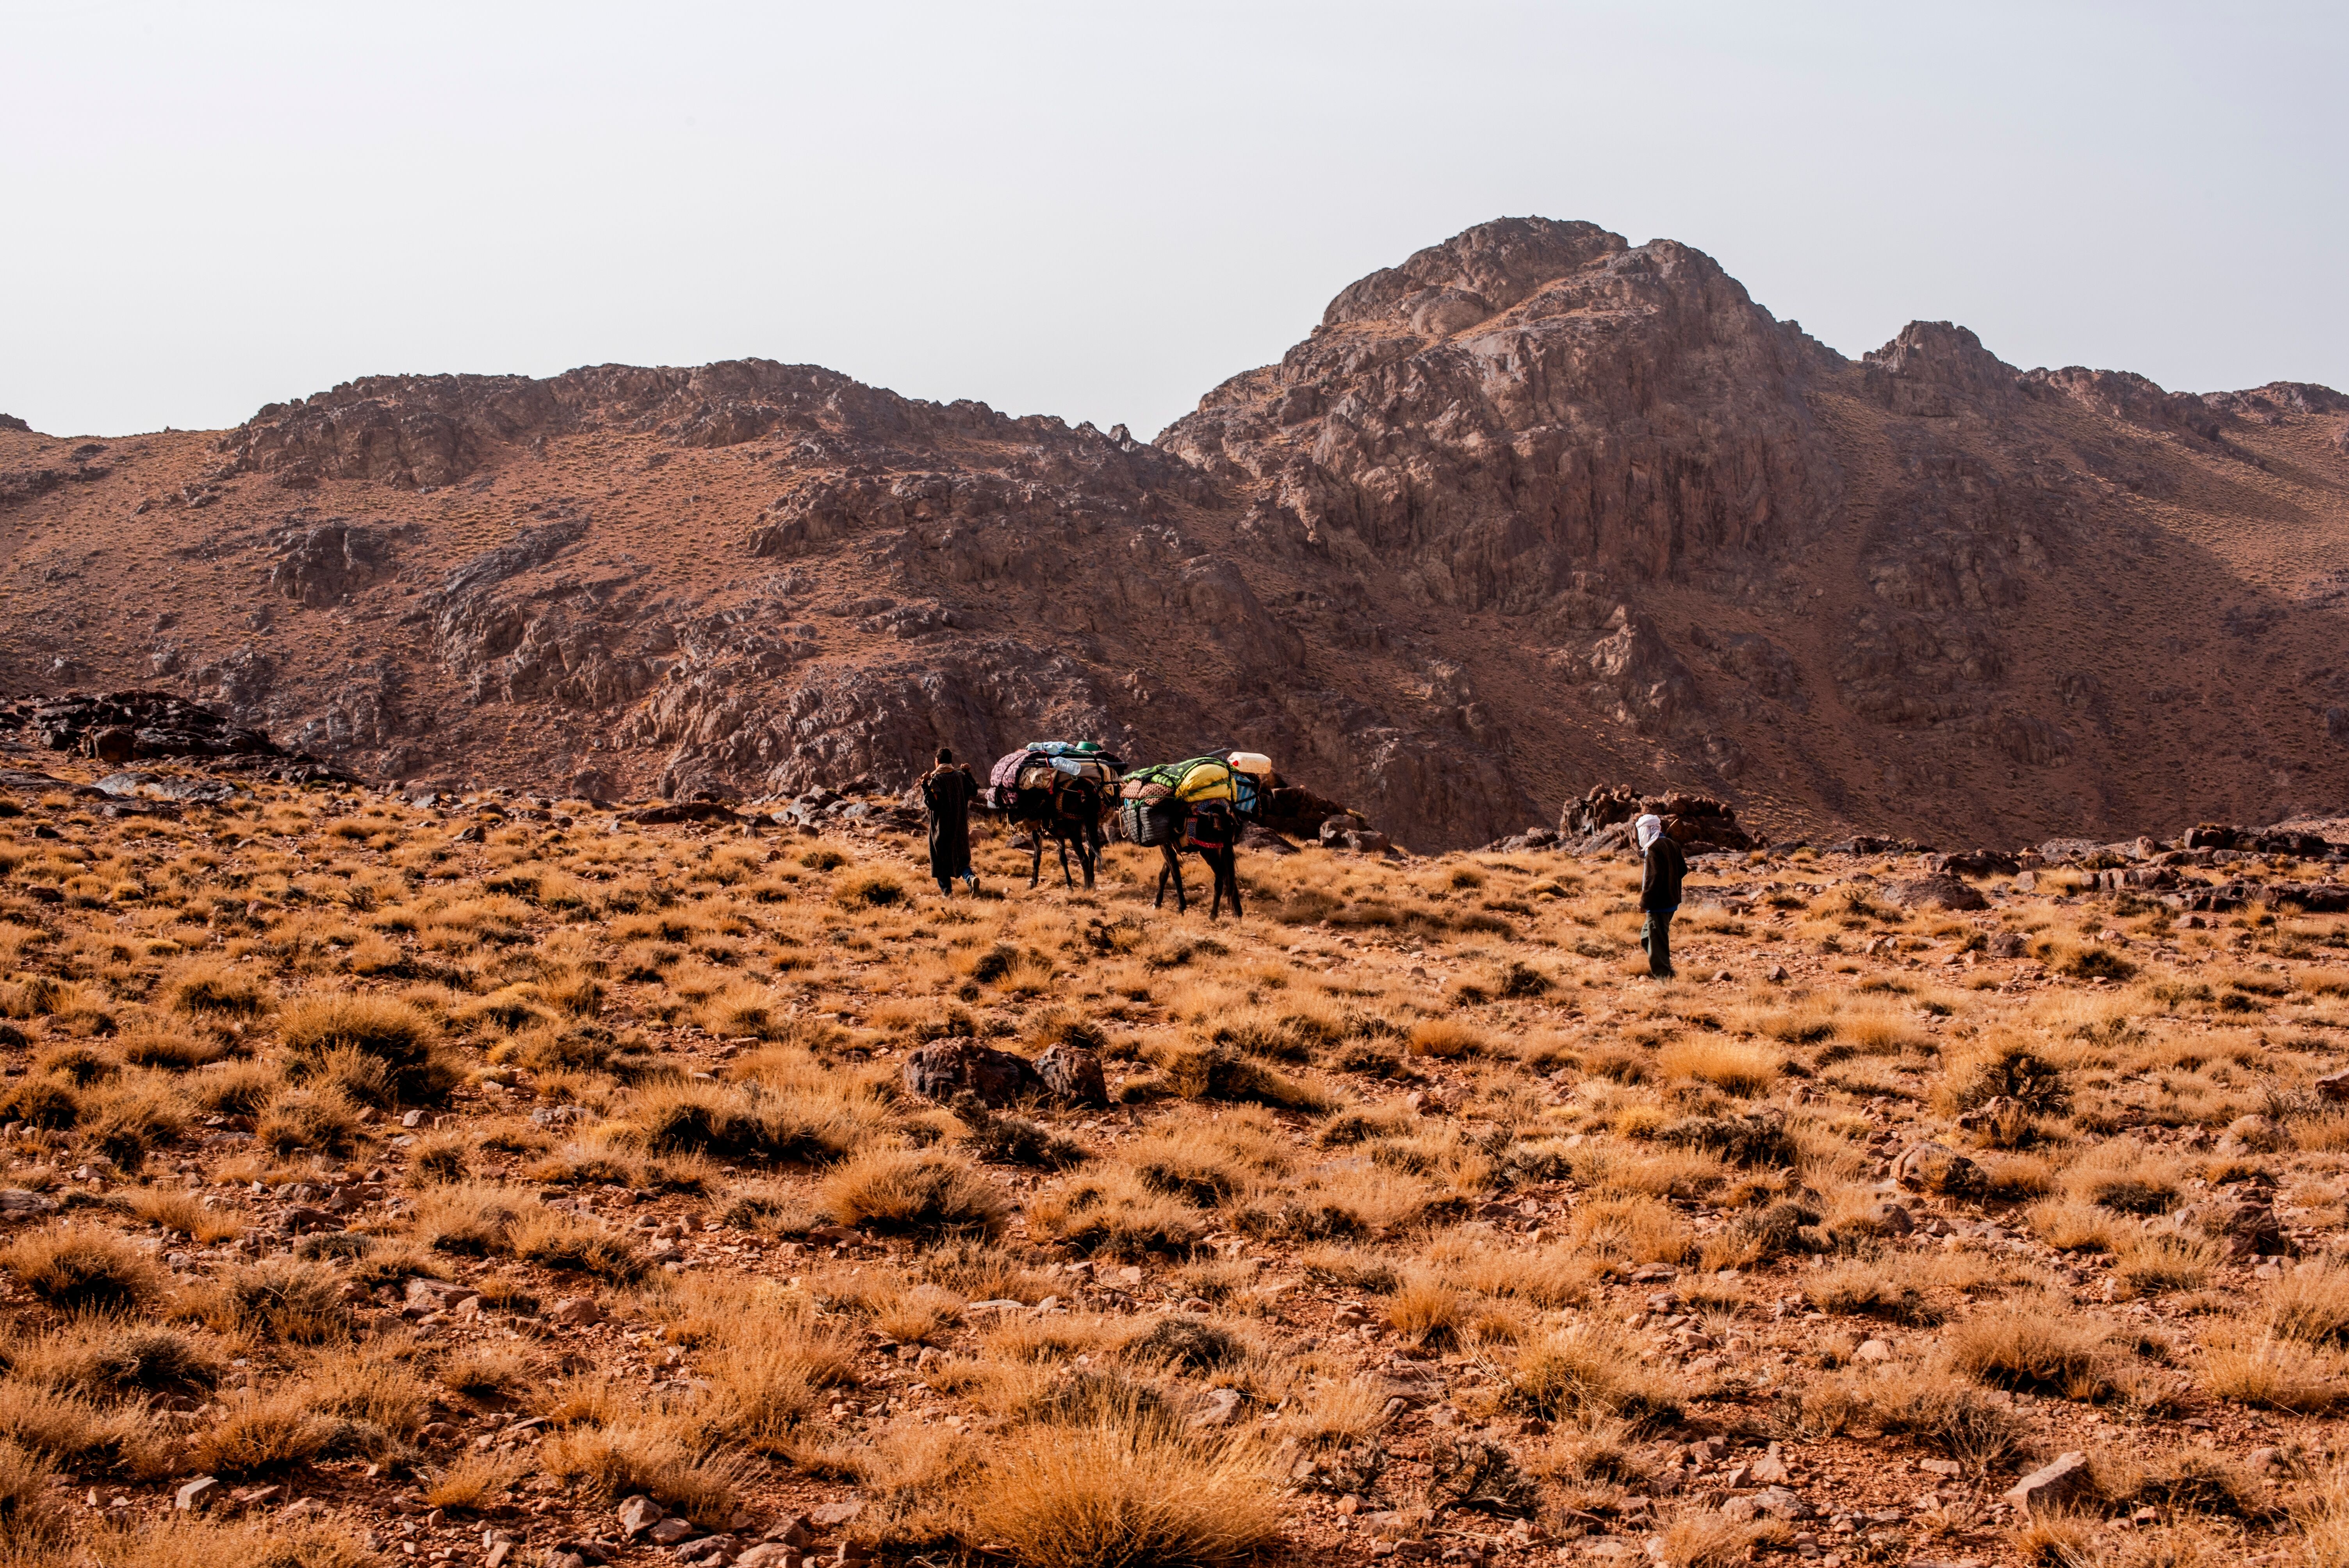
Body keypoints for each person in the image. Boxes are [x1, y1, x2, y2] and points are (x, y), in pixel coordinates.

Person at [920, 747, 980, 896]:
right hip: (960, 827)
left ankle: (947, 895)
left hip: (942, 828)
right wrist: (968, 773)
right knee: (961, 859)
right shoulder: (960, 777)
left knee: (941, 860)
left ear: (938, 761)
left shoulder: (937, 779)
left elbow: (933, 805)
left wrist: (925, 785)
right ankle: (970, 879)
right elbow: (974, 791)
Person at [1636, 813, 1685, 979]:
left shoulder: (1654, 849)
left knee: (1657, 941)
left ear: (1646, 831)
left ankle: (1664, 977)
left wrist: (1645, 902)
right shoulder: (1672, 844)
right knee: (1647, 937)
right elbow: (1683, 870)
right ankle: (1666, 969)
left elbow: (1653, 879)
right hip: (1672, 901)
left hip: (1658, 905)